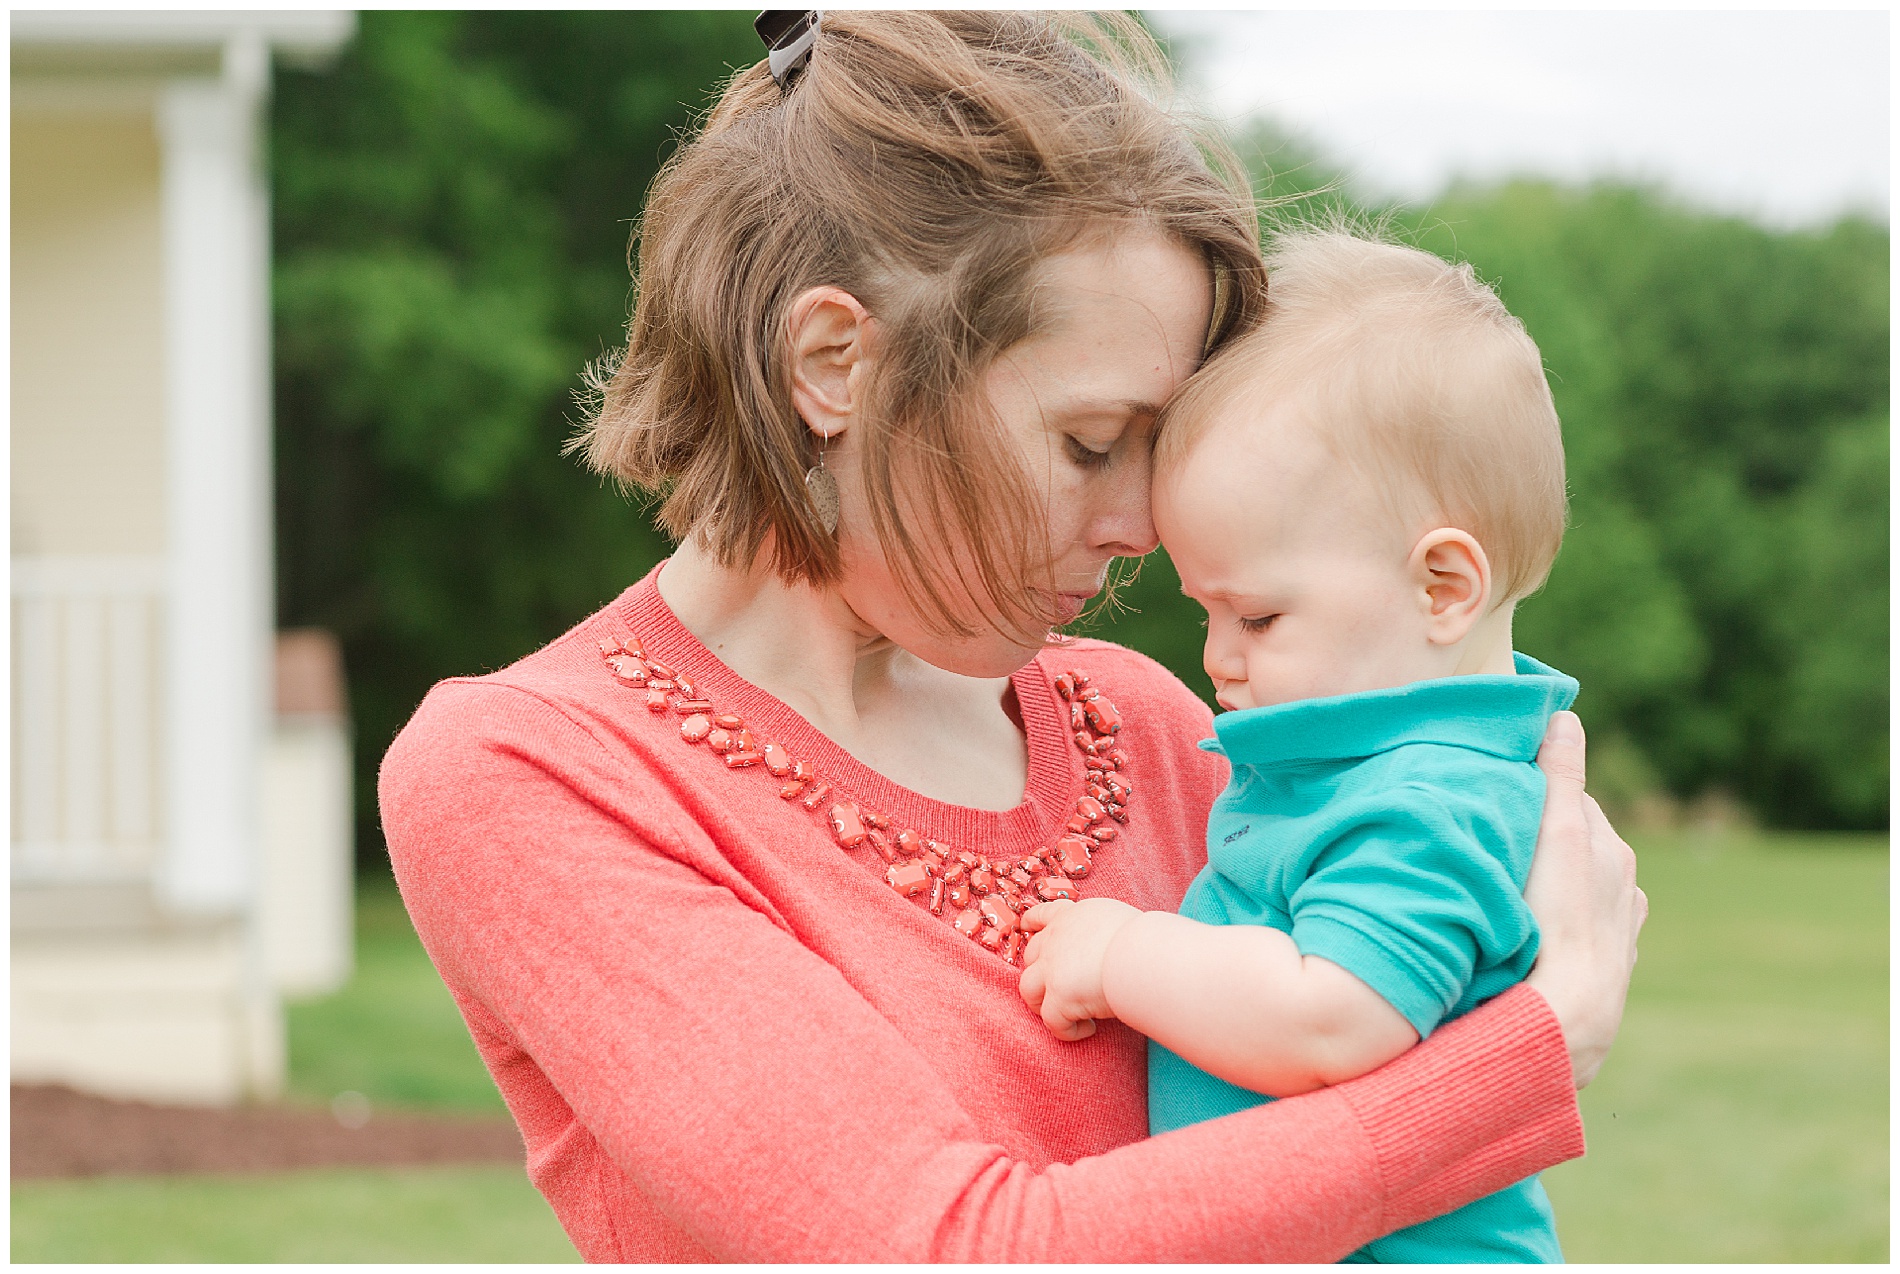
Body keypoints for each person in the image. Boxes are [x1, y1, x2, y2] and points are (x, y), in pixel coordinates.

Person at [377, 12, 1645, 1262]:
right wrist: (1532, 1052)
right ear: (834, 363)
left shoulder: (1146, 719)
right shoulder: (537, 771)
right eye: (1091, 442)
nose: (1146, 520)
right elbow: (946, 1247)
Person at [1019, 229, 1579, 1262]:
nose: (1216, 658)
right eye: (1205, 612)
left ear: (1441, 586)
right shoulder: (1364, 770)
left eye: (1258, 618)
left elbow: (1331, 1017)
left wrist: (1120, 952)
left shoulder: (1427, 797)